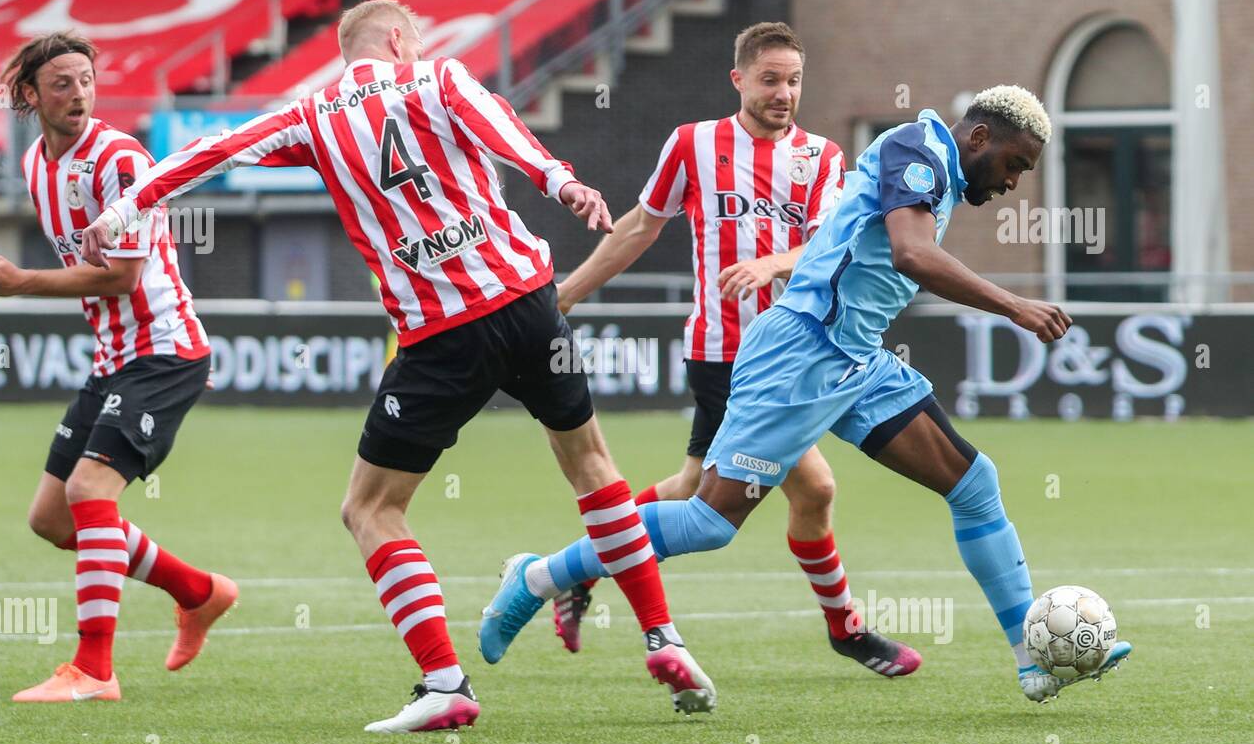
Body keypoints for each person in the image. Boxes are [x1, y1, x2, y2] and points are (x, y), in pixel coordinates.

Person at [78, 0, 715, 732]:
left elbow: (215, 152)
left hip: (444, 333)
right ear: (396, 39)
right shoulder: (439, 78)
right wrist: (558, 180)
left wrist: (127, 207)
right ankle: (663, 635)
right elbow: (500, 124)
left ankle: (445, 682)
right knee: (593, 464)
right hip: (531, 303)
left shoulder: (312, 115)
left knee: (371, 508)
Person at [480, 85, 1132, 702]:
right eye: (1014, 164)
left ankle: (1032, 658)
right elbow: (909, 253)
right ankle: (538, 576)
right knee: (708, 523)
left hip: (854, 360)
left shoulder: (939, 169)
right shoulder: (916, 149)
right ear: (981, 135)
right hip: (798, 353)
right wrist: (1013, 304)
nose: (1014, 182)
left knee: (974, 483)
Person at [542, 22, 920, 677]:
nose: (783, 93)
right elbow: (639, 228)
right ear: (738, 79)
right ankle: (846, 628)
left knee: (699, 487)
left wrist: (774, 262)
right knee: (816, 487)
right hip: (727, 354)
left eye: (794, 80)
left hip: (798, 354)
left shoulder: (823, 158)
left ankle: (585, 567)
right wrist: (567, 294)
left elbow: (832, 246)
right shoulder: (693, 144)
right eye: (770, 79)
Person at [0, 32, 236, 703]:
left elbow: (119, 278)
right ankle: (198, 592)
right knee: (53, 520)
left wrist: (21, 283)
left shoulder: (121, 160)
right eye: (61, 83)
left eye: (85, 79)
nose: (78, 93)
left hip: (164, 350)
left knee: (90, 493)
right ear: (30, 95)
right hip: (114, 357)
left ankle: (94, 670)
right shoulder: (35, 165)